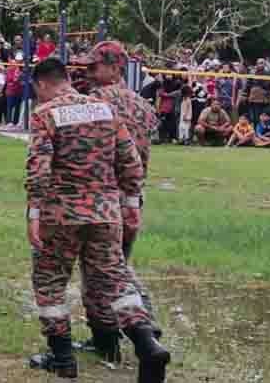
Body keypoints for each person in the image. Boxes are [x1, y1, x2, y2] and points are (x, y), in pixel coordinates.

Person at [26, 58, 168, 381]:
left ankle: (61, 356)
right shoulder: (104, 109)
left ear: (43, 84)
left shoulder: (45, 114)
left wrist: (34, 212)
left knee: (50, 281)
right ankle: (146, 343)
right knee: (115, 280)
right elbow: (130, 161)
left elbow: (39, 168)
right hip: (106, 212)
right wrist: (131, 203)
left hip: (61, 213)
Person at [78, 41, 162, 358]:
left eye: (94, 66)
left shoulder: (94, 101)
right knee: (119, 264)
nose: (88, 72)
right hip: (131, 197)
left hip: (100, 197)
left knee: (98, 271)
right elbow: (144, 155)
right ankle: (139, 328)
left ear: (115, 67)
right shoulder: (142, 104)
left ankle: (119, 336)